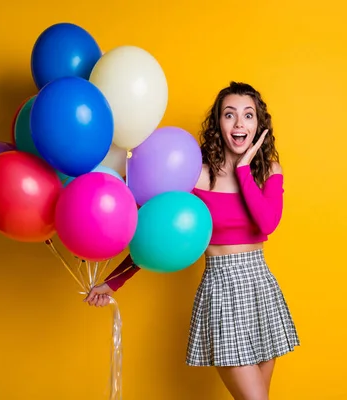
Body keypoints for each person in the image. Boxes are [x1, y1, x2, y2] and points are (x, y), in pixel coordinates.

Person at [85, 81, 300, 399]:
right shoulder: (194, 176)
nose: (239, 123)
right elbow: (158, 234)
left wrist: (242, 170)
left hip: (261, 290)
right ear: (218, 124)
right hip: (222, 291)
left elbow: (268, 222)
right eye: (229, 115)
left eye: (248, 115)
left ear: (259, 125)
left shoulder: (269, 171)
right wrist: (113, 281)